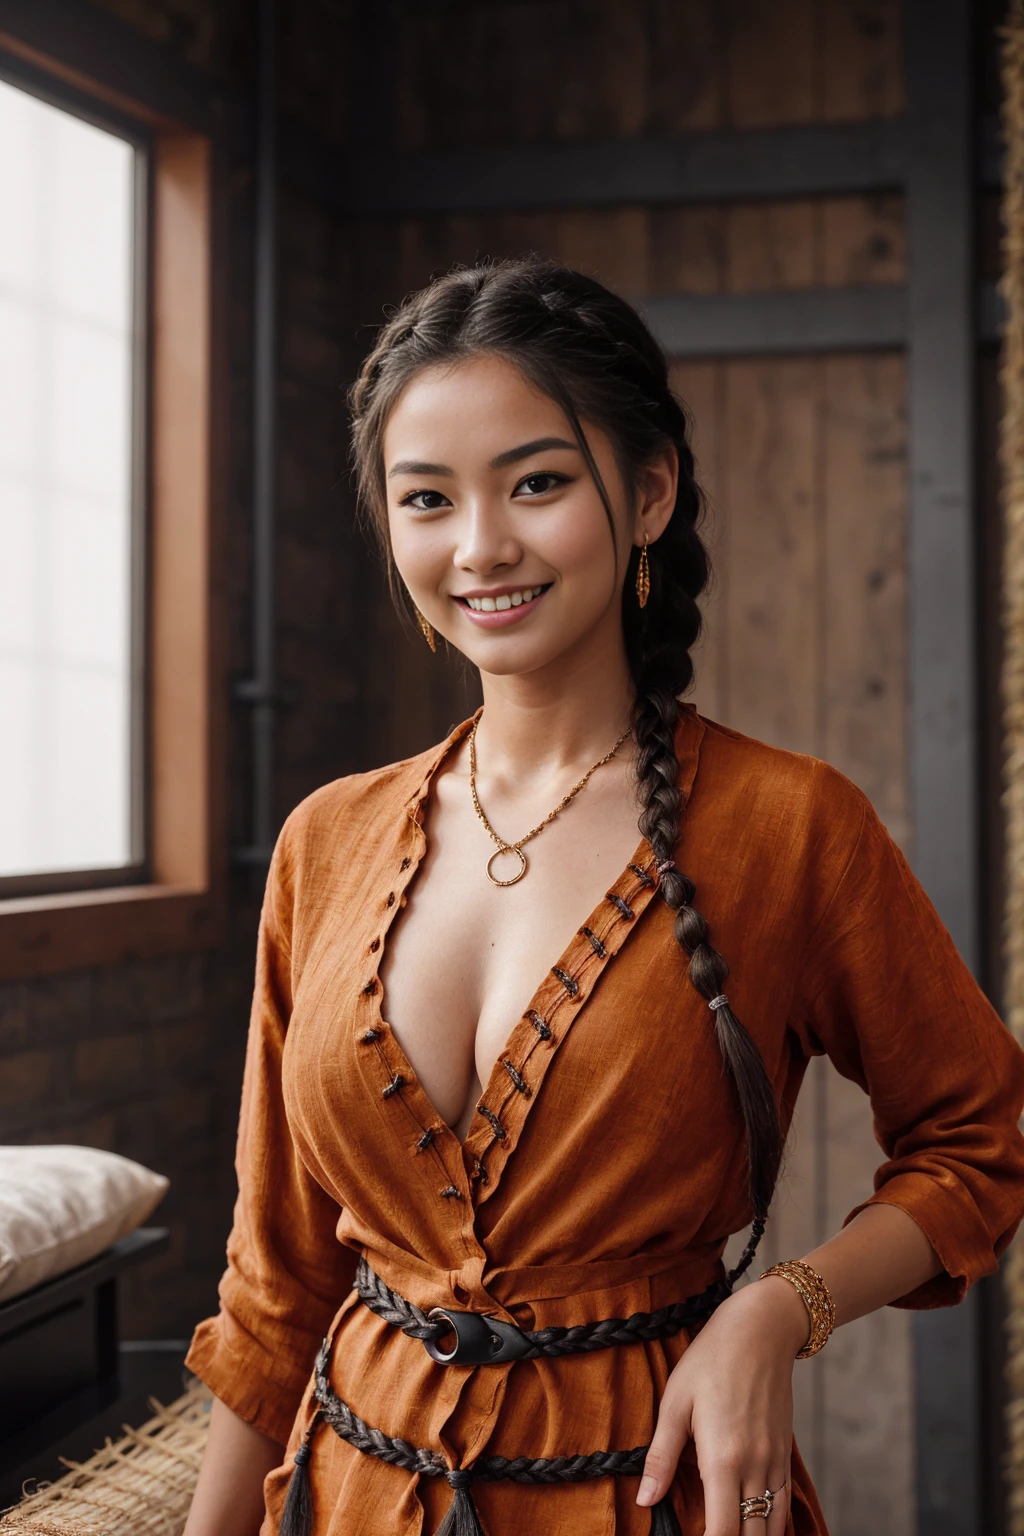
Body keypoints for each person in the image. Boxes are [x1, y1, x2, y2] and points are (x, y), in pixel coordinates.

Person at [182, 258, 1024, 1536]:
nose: (481, 547)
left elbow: (981, 1141)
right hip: (347, 1497)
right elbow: (277, 1285)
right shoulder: (324, 843)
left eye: (535, 482)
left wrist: (776, 1305)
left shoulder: (790, 827)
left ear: (645, 492)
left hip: (652, 1499)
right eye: (427, 499)